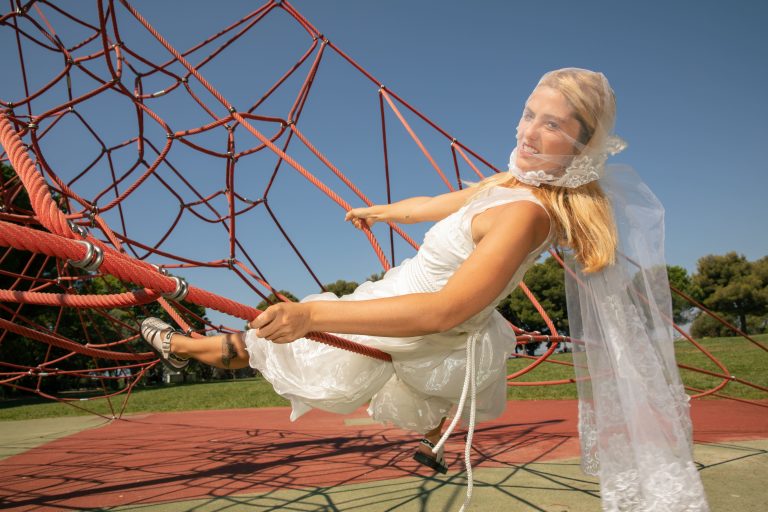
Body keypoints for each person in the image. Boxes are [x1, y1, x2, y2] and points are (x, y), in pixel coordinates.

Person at [141, 68, 709, 511]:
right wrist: (379, 211)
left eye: (553, 125)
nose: (529, 132)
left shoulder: (525, 214)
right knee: (412, 386)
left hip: (419, 316)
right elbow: (434, 205)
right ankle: (436, 436)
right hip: (425, 311)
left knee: (277, 338)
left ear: (582, 147)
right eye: (529, 113)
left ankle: (182, 346)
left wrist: (314, 316)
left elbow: (444, 309)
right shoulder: (509, 185)